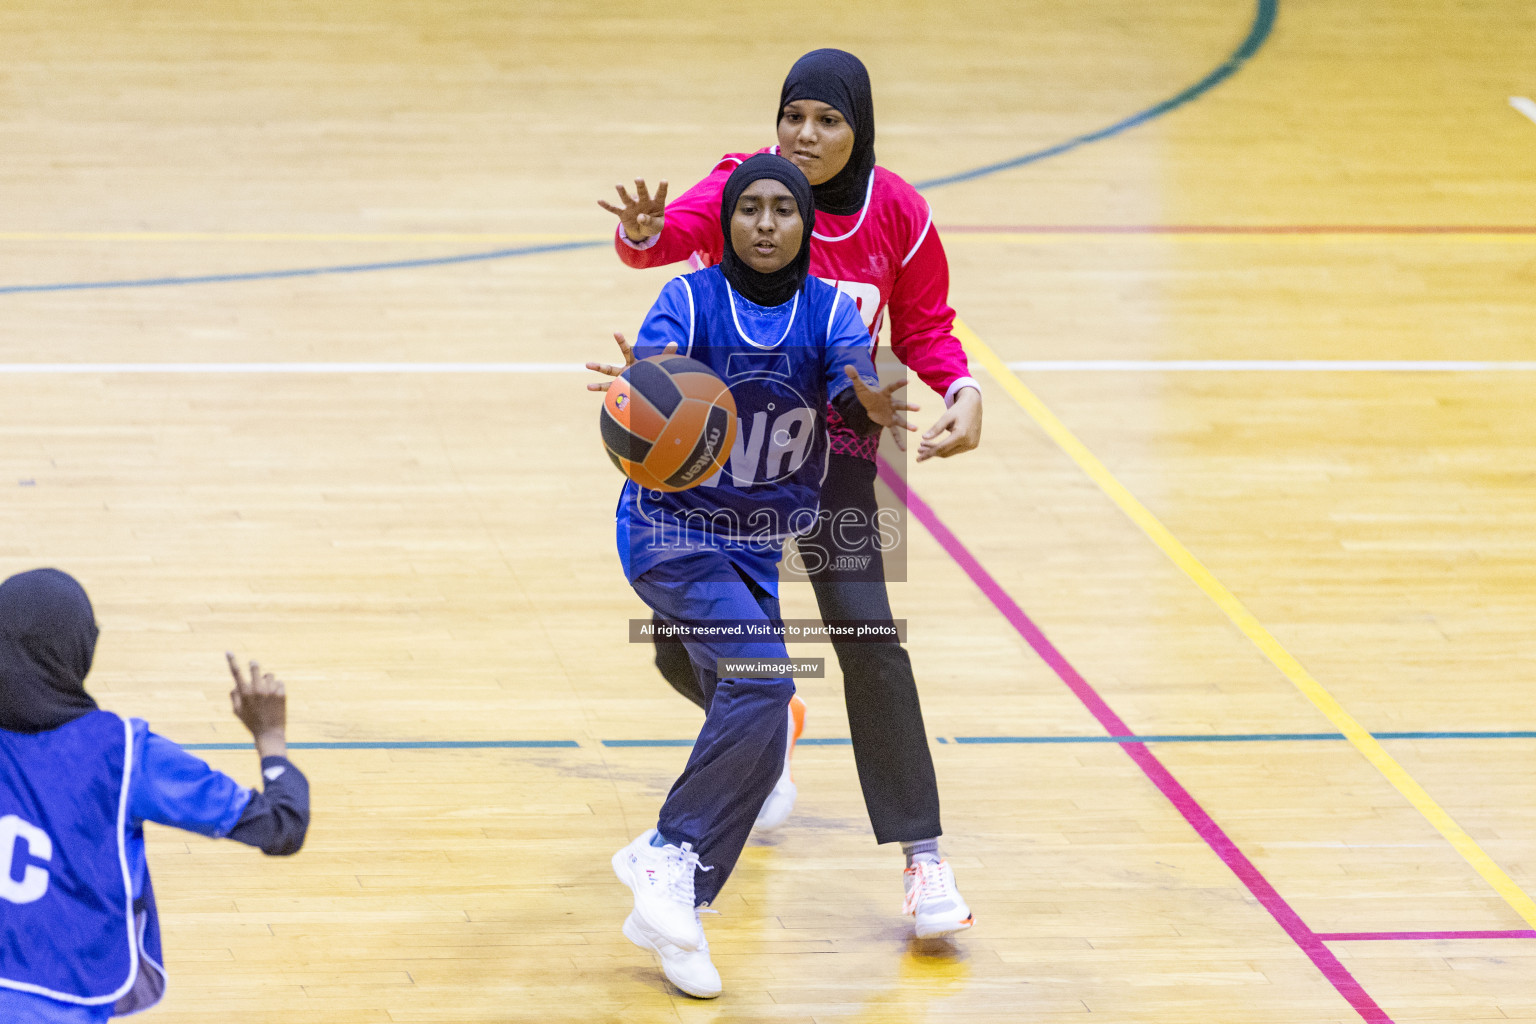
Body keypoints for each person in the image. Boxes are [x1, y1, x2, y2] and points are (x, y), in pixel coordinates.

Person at [597, 47, 976, 938]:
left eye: (828, 120)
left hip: (840, 451)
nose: (804, 136)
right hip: (731, 465)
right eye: (793, 115)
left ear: (860, 128)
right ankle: (770, 724)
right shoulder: (749, 186)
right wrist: (645, 237)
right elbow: (672, 238)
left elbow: (926, 326)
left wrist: (962, 391)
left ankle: (924, 860)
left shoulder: (900, 214)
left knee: (870, 641)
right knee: (678, 650)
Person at [592, 154, 911, 998]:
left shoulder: (830, 311)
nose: (765, 224)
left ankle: (677, 908)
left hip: (756, 542)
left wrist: (869, 401)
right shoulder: (689, 300)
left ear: (806, 225)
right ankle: (664, 850)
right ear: (727, 222)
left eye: (783, 210)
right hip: (671, 529)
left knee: (765, 739)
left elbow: (854, 379)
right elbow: (654, 369)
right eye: (749, 210)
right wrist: (643, 388)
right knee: (766, 683)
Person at [0, 568, 310, 1023]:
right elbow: (282, 825)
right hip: (62, 1003)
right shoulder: (125, 754)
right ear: (80, 651)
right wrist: (272, 738)